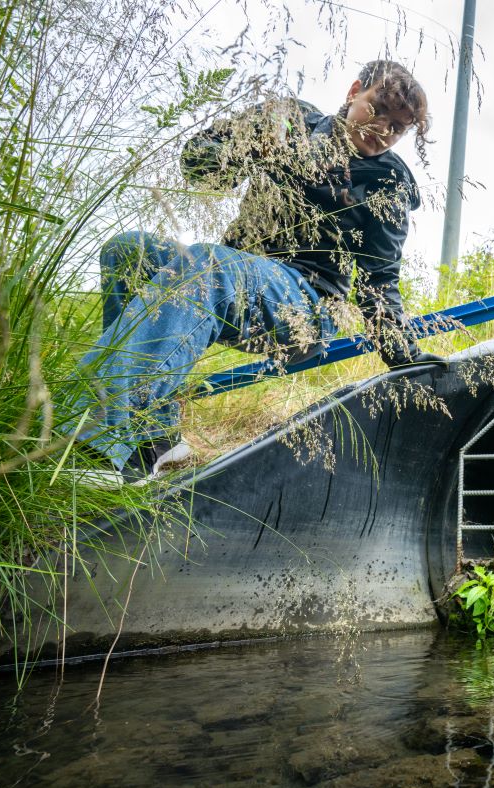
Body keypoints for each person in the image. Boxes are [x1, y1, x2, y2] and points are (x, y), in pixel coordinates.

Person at [66, 60, 443, 486]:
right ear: (355, 90)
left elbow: (379, 285)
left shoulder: (389, 183)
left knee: (208, 263)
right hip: (232, 271)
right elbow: (195, 164)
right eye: (377, 112)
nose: (381, 133)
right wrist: (250, 148)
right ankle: (153, 437)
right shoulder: (290, 117)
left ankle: (95, 445)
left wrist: (406, 358)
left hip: (306, 304)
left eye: (397, 128)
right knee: (129, 250)